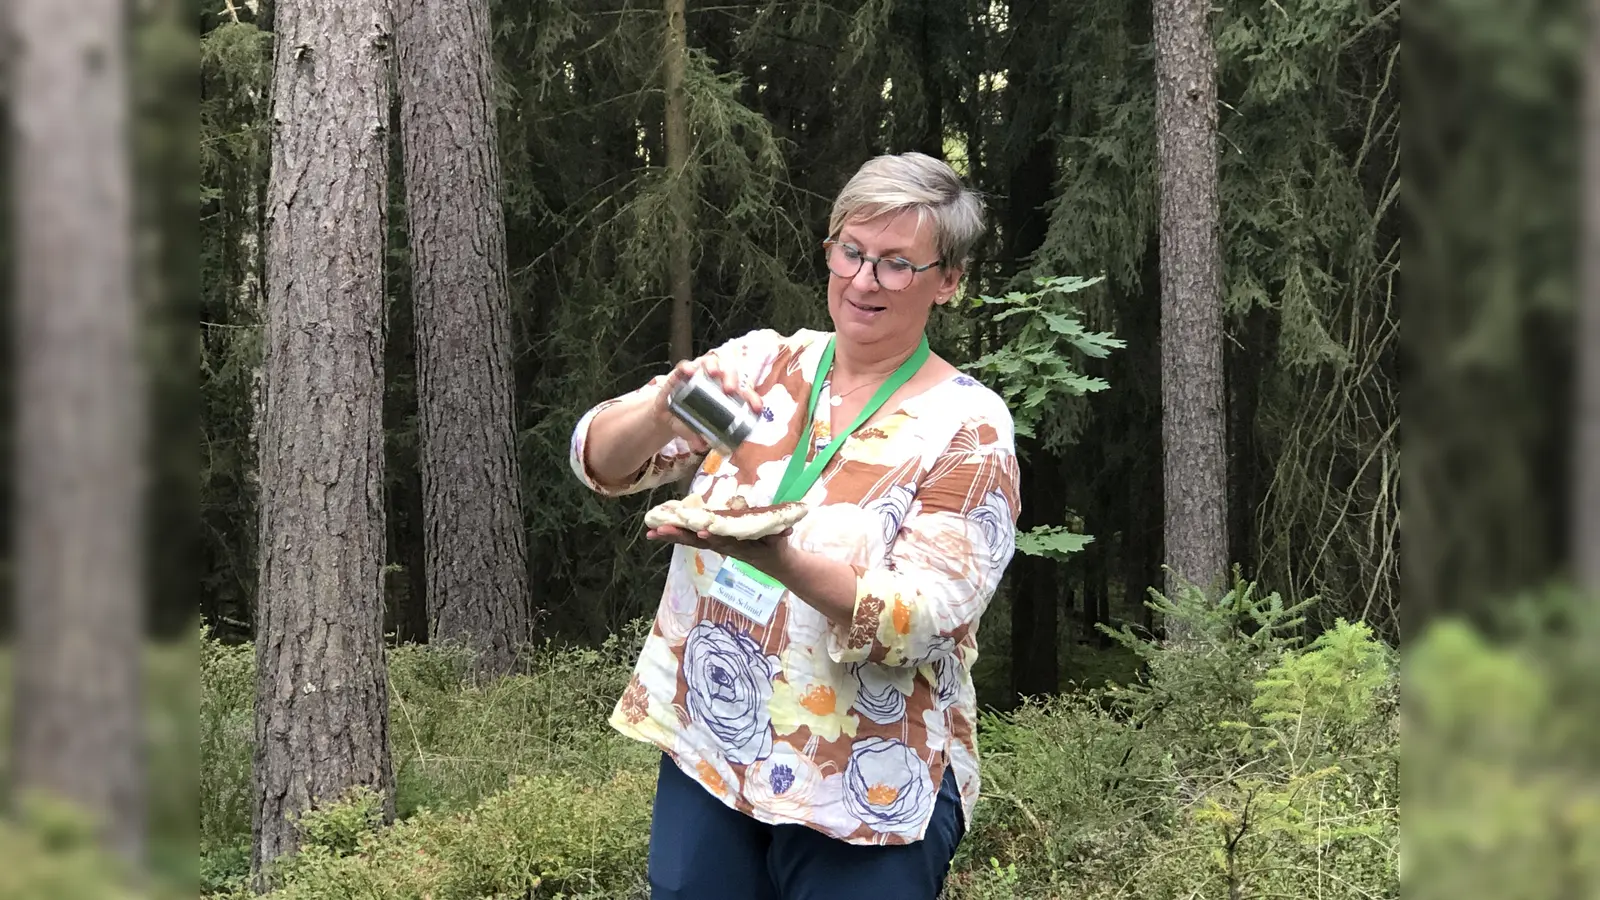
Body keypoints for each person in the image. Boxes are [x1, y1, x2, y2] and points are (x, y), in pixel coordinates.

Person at [569, 151, 1021, 900]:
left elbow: (929, 617)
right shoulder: (765, 367)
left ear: (949, 280)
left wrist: (777, 559)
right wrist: (658, 409)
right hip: (714, 746)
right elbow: (603, 464)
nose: (864, 280)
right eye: (852, 252)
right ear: (830, 251)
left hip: (865, 780)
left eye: (897, 264)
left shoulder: (966, 428)